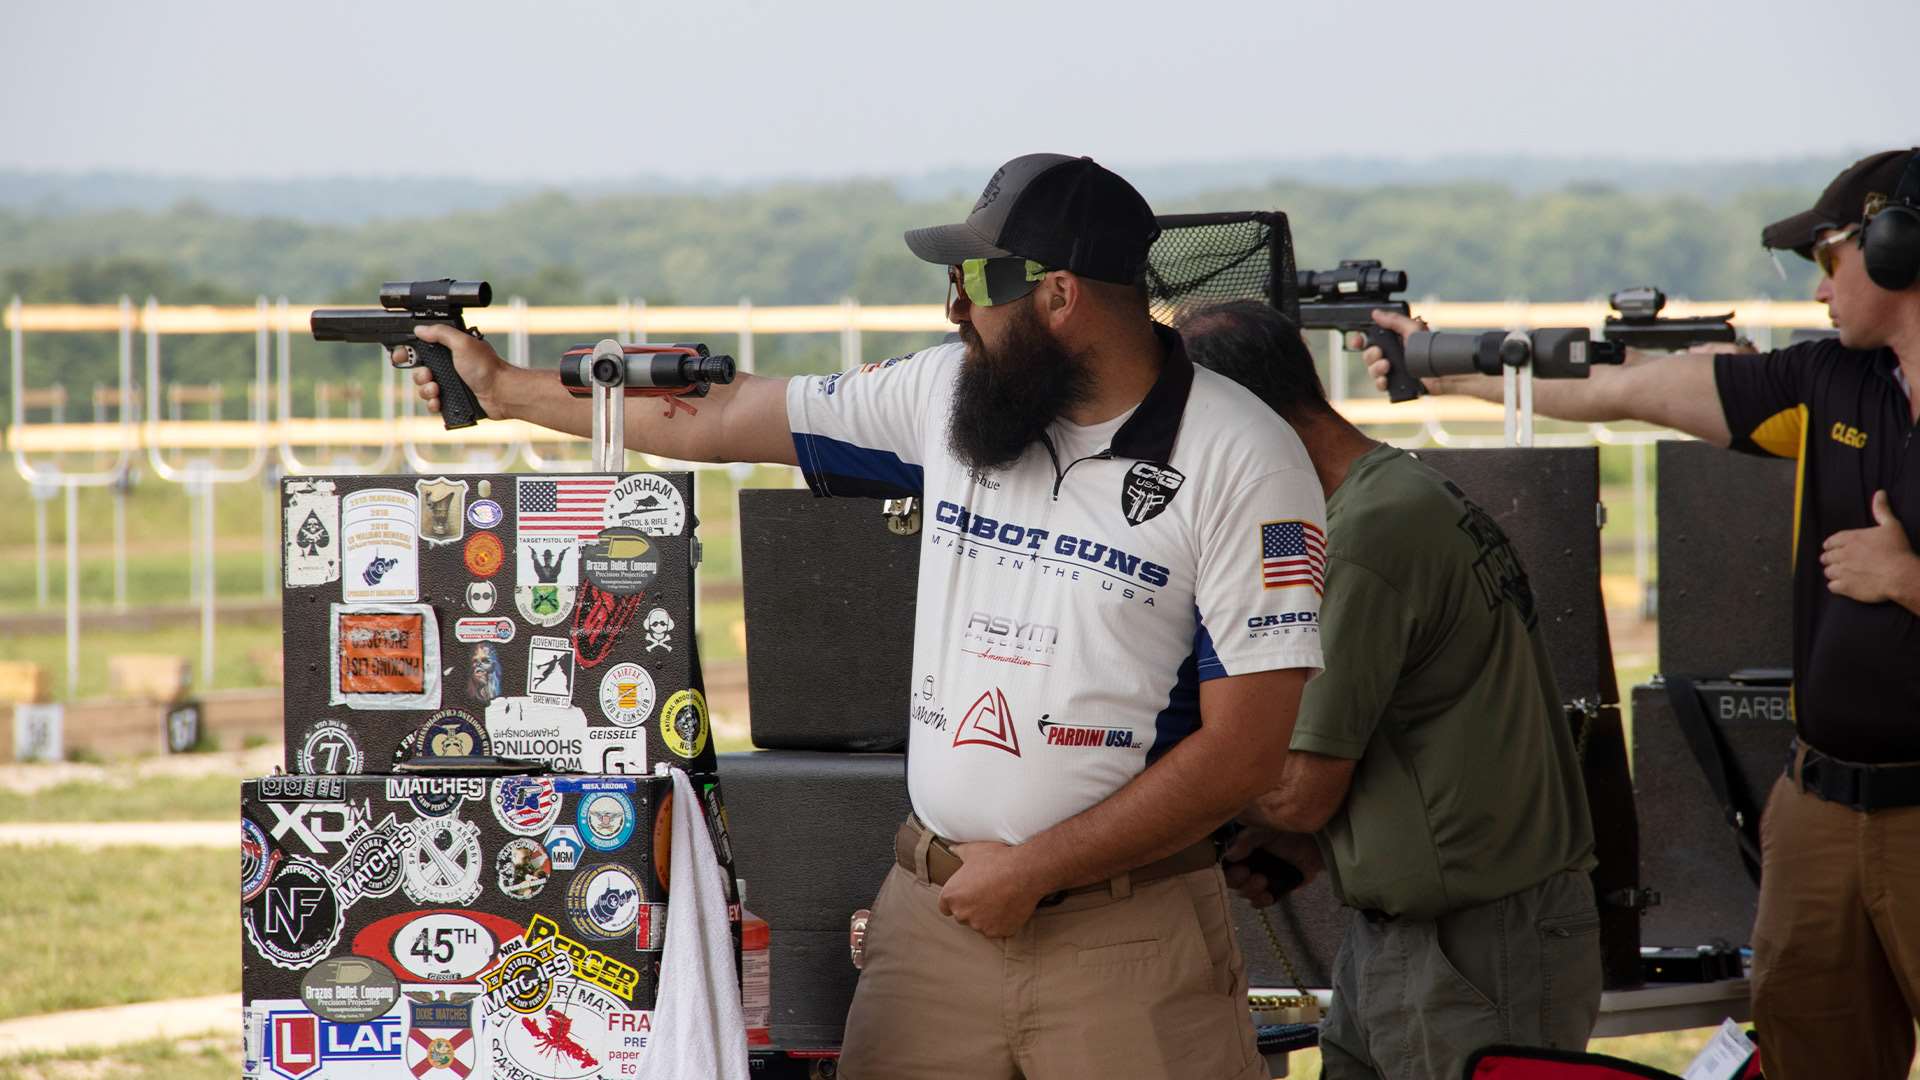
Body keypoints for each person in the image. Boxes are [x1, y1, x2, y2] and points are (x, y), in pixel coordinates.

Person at [407, 153, 1327, 1080]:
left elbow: (1246, 751)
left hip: (1126, 940)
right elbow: (725, 416)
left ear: (1057, 296)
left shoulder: (1244, 457)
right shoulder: (950, 394)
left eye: (972, 280)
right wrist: (502, 389)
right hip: (937, 920)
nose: (954, 310)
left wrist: (1037, 868)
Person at [1362, 148, 1920, 1078]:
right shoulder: (1831, 382)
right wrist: (1438, 370)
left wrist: (1906, 580)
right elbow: (1620, 387)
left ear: (1900, 246)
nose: (1820, 292)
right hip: (1820, 803)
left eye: (1829, 259)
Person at [1180, 300, 1601, 1077]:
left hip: (1472, 951)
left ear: (1242, 422)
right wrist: (1312, 843)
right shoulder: (1393, 492)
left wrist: (1157, 786)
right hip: (1422, 937)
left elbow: (1299, 791)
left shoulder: (1362, 539)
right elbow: (1419, 727)